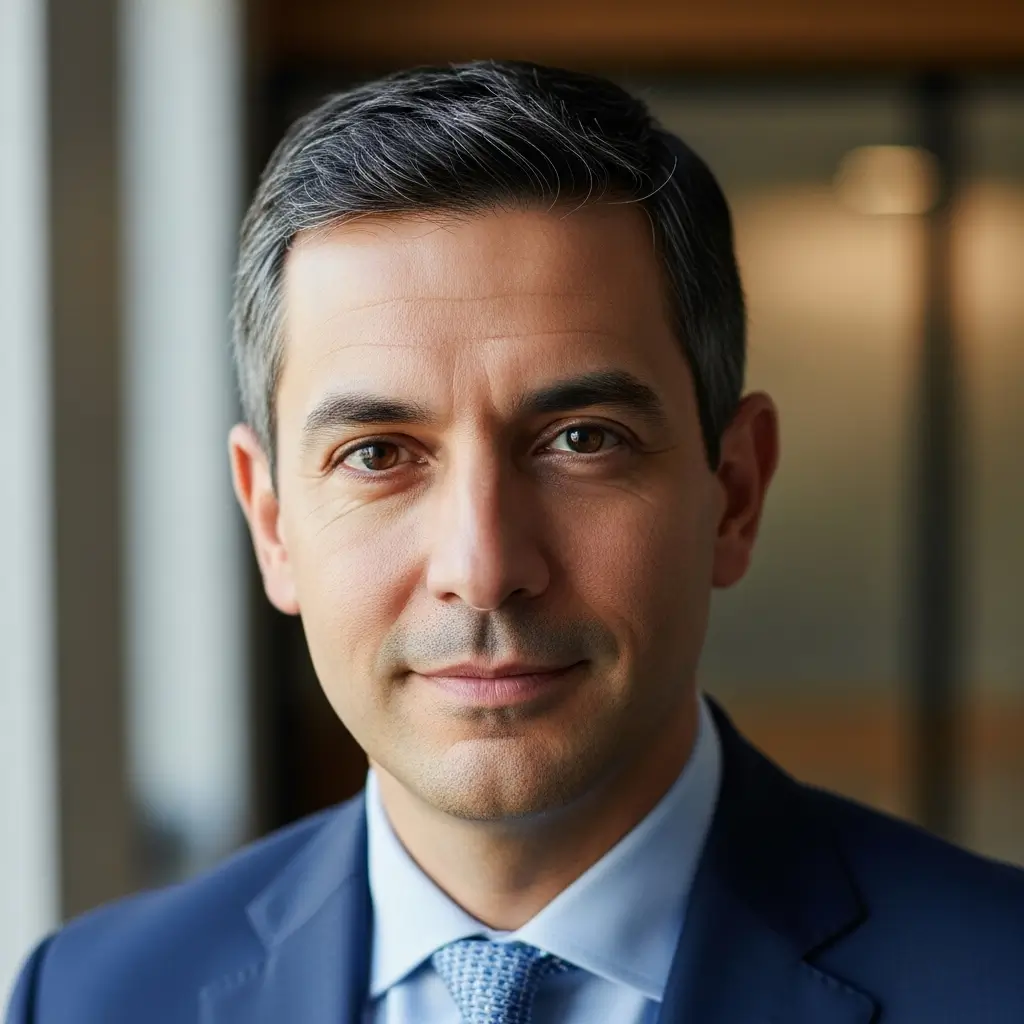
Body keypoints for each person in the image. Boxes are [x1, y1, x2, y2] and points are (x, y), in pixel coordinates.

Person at [7, 59, 1024, 1024]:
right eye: (377, 454)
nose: (483, 568)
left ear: (735, 491)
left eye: (581, 440)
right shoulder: (91, 996)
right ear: (272, 522)